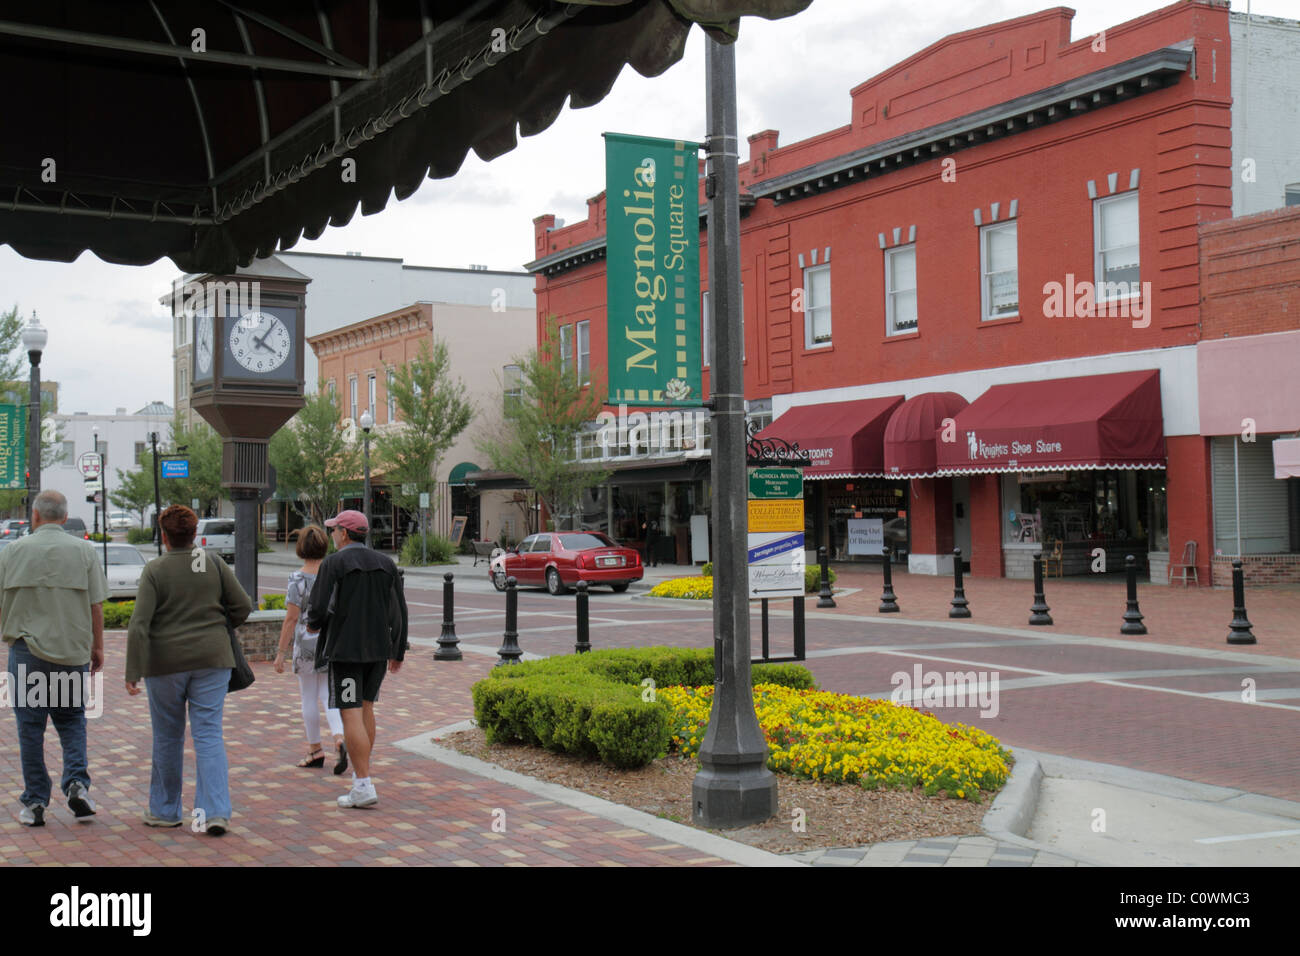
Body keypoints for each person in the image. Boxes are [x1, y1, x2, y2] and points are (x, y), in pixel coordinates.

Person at [125, 504, 251, 835]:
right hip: (212, 660)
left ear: (164, 536)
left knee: (167, 736)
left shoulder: (155, 569)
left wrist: (132, 670)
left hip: (164, 662)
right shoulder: (212, 562)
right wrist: (219, 629)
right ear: (195, 534)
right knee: (208, 734)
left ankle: (165, 811)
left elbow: (139, 623)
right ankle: (214, 814)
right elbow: (243, 606)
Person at [1, 490, 108, 827]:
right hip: (71, 650)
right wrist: (98, 647)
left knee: (30, 728)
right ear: (64, 517)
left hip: (26, 652)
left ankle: (35, 803)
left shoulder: (12, 552)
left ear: (34, 516)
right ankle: (77, 783)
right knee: (72, 720)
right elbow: (96, 605)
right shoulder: (84, 552)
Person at [305, 510, 407, 809]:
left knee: (349, 712)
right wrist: (397, 650)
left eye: (334, 529)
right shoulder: (386, 563)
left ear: (345, 533)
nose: (333, 535)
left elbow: (319, 605)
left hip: (347, 651)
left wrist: (313, 625)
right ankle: (361, 778)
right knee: (366, 709)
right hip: (378, 650)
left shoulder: (334, 563)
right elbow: (398, 610)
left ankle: (363, 783)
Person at [274, 525, 347, 774]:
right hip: (329, 639)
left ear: (301, 548)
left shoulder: (297, 579)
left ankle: (315, 749)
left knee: (308, 696)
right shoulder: (334, 575)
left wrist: (281, 653)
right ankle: (339, 737)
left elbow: (291, 618)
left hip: (305, 640)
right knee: (330, 694)